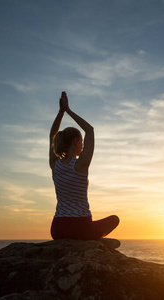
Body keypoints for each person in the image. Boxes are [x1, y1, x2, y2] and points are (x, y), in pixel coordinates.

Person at [49, 91, 119, 240]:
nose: (82, 145)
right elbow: (90, 130)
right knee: (114, 219)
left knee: (97, 224)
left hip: (58, 229)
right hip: (81, 228)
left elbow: (52, 134)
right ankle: (95, 241)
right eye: (81, 141)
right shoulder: (81, 165)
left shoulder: (55, 165)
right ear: (75, 142)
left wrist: (60, 112)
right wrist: (68, 110)